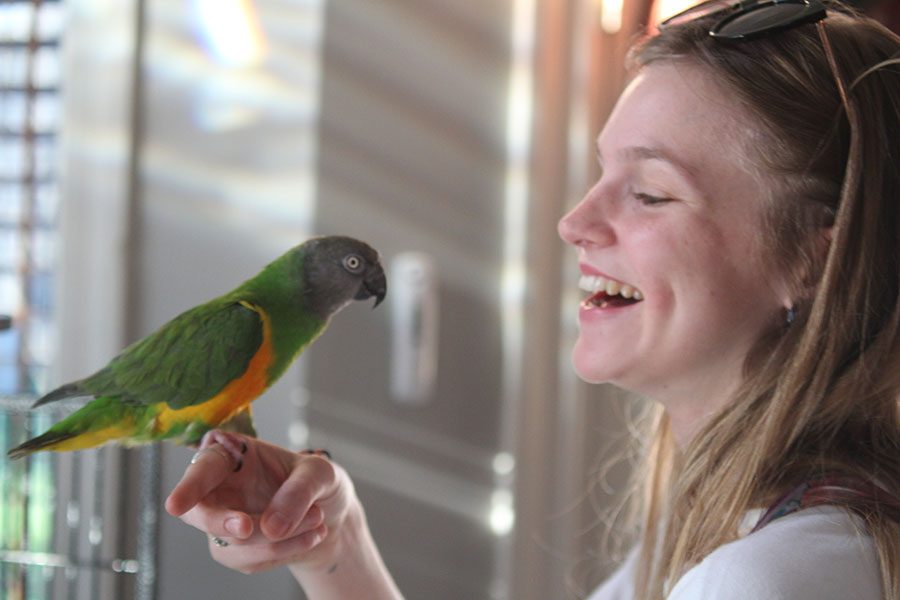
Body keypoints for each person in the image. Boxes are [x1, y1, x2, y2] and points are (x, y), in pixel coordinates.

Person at [165, 1, 900, 598]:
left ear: (813, 258)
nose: (574, 223)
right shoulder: (724, 526)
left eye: (649, 193)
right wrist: (333, 537)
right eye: (601, 173)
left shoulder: (774, 578)